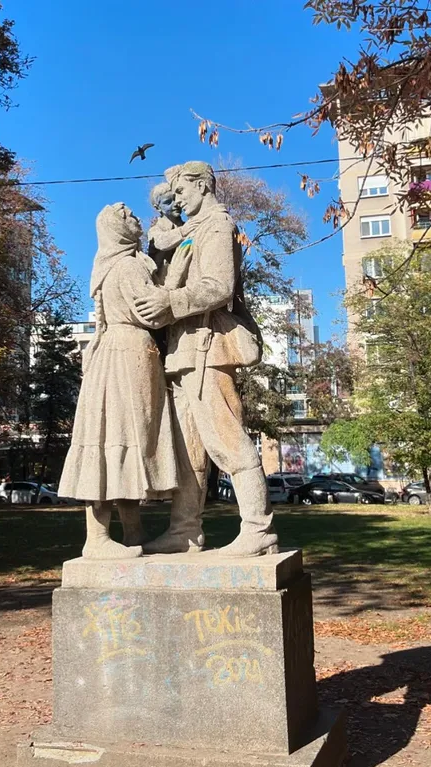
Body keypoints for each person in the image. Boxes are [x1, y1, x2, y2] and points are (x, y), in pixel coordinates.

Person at [135, 161, 276, 558]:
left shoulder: (217, 225)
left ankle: (258, 528)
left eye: (181, 190)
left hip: (208, 348)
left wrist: (169, 301)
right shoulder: (190, 231)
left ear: (201, 185)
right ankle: (185, 532)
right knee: (188, 451)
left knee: (226, 439)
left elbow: (218, 287)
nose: (177, 199)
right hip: (184, 353)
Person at [58, 203, 177, 559]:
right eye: (127, 217)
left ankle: (133, 532)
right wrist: (177, 294)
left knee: (126, 441)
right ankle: (96, 538)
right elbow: (151, 312)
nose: (135, 217)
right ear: (116, 229)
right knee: (115, 437)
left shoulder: (121, 264)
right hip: (126, 356)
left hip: (126, 355)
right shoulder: (126, 267)